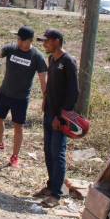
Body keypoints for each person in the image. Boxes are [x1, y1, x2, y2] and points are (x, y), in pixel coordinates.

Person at [0, 26, 48, 168]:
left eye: (20, 39)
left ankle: (15, 156)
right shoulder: (11, 49)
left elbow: (43, 79)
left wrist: (45, 99)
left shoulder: (37, 56)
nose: (18, 41)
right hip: (4, 93)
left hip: (21, 98)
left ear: (29, 41)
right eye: (17, 38)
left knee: (18, 127)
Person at [35, 29, 79, 208]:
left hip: (60, 117)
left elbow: (73, 92)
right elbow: (51, 85)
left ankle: (56, 195)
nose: (44, 44)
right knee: (48, 150)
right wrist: (45, 100)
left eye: (47, 41)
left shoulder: (68, 61)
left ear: (57, 41)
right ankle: (50, 185)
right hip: (49, 113)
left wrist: (61, 117)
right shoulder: (52, 59)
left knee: (58, 152)